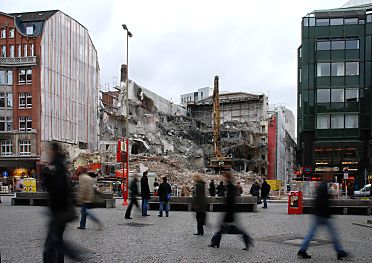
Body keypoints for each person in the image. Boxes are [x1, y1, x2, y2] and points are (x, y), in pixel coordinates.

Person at [43, 142, 82, 262]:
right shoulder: (62, 164)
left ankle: (76, 255)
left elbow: (58, 188)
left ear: (53, 151)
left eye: (48, 150)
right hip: (62, 209)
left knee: (51, 244)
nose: (47, 153)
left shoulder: (56, 166)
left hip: (59, 210)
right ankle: (69, 257)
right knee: (57, 239)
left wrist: (46, 175)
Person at [297, 172, 349, 260]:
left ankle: (302, 250)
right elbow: (322, 201)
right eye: (330, 175)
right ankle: (339, 251)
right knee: (332, 234)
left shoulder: (322, 185)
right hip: (323, 214)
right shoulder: (324, 186)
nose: (331, 177)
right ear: (327, 176)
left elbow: (319, 199)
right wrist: (328, 210)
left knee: (312, 234)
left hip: (319, 213)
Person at [209, 172, 253, 250]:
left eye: (224, 177)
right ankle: (215, 242)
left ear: (227, 178)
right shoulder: (230, 186)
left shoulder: (230, 187)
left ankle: (247, 239)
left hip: (229, 212)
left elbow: (230, 201)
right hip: (229, 211)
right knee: (223, 228)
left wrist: (226, 210)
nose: (223, 178)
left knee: (229, 229)